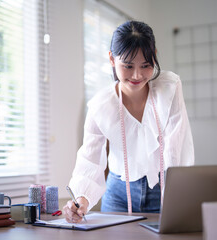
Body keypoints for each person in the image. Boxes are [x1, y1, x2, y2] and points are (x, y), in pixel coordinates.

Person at [63, 20, 194, 223]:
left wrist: (176, 197)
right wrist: (80, 200)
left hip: (163, 189)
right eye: (128, 65)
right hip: (118, 194)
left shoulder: (169, 88)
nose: (137, 75)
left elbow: (176, 149)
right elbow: (90, 159)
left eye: (146, 65)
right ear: (111, 59)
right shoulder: (100, 106)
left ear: (155, 56)